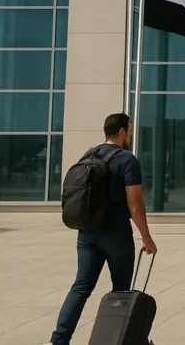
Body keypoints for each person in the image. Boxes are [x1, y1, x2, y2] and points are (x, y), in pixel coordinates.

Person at [49, 113, 157, 345]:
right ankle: (119, 339)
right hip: (116, 234)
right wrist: (147, 237)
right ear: (121, 132)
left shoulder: (89, 154)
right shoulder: (127, 159)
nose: (130, 133)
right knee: (121, 293)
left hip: (87, 233)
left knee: (80, 287)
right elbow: (135, 204)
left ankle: (58, 340)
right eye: (129, 129)